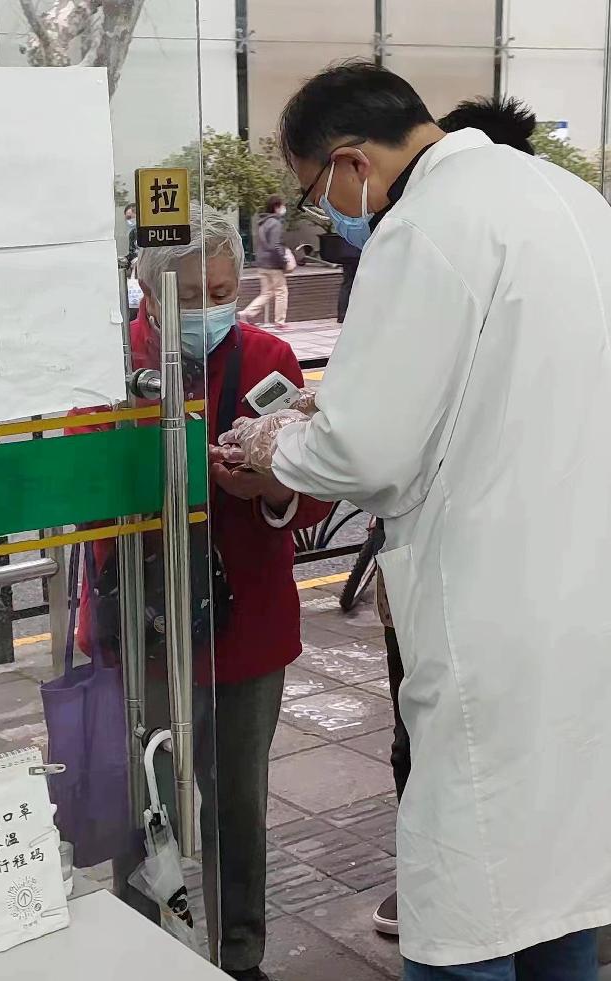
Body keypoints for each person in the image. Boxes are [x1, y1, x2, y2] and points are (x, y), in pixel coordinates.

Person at [216, 61, 611, 979]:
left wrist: (272, 446)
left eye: (316, 191)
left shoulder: (425, 226)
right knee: (561, 869)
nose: (328, 212)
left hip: (492, 606)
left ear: (352, 162)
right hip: (584, 586)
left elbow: (365, 454)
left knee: (468, 894)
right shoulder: (573, 200)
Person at [76, 207, 330, 981]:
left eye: (222, 291)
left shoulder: (268, 359)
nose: (209, 309)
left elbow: (315, 491)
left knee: (236, 804)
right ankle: (141, 951)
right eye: (189, 296)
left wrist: (271, 486)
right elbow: (79, 496)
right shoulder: (102, 367)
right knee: (140, 807)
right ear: (148, 291)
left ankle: (239, 954)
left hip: (244, 623)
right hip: (141, 624)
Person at [371, 94, 539, 939]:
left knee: (450, 741)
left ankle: (449, 895)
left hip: (470, 571)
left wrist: (289, 454)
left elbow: (375, 444)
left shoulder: (432, 235)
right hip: (530, 571)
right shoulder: (556, 236)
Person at [238, 195, 290, 325]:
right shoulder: (275, 223)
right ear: (276, 207)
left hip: (262, 263)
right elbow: (275, 245)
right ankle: (280, 321)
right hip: (273, 264)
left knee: (266, 292)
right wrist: (284, 262)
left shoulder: (263, 223)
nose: (284, 208)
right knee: (281, 291)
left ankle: (247, 313)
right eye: (282, 205)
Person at [124, 201, 138, 269]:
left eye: (130, 217)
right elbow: (133, 252)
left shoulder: (147, 232)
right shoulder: (132, 233)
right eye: (127, 218)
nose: (129, 221)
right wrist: (126, 259)